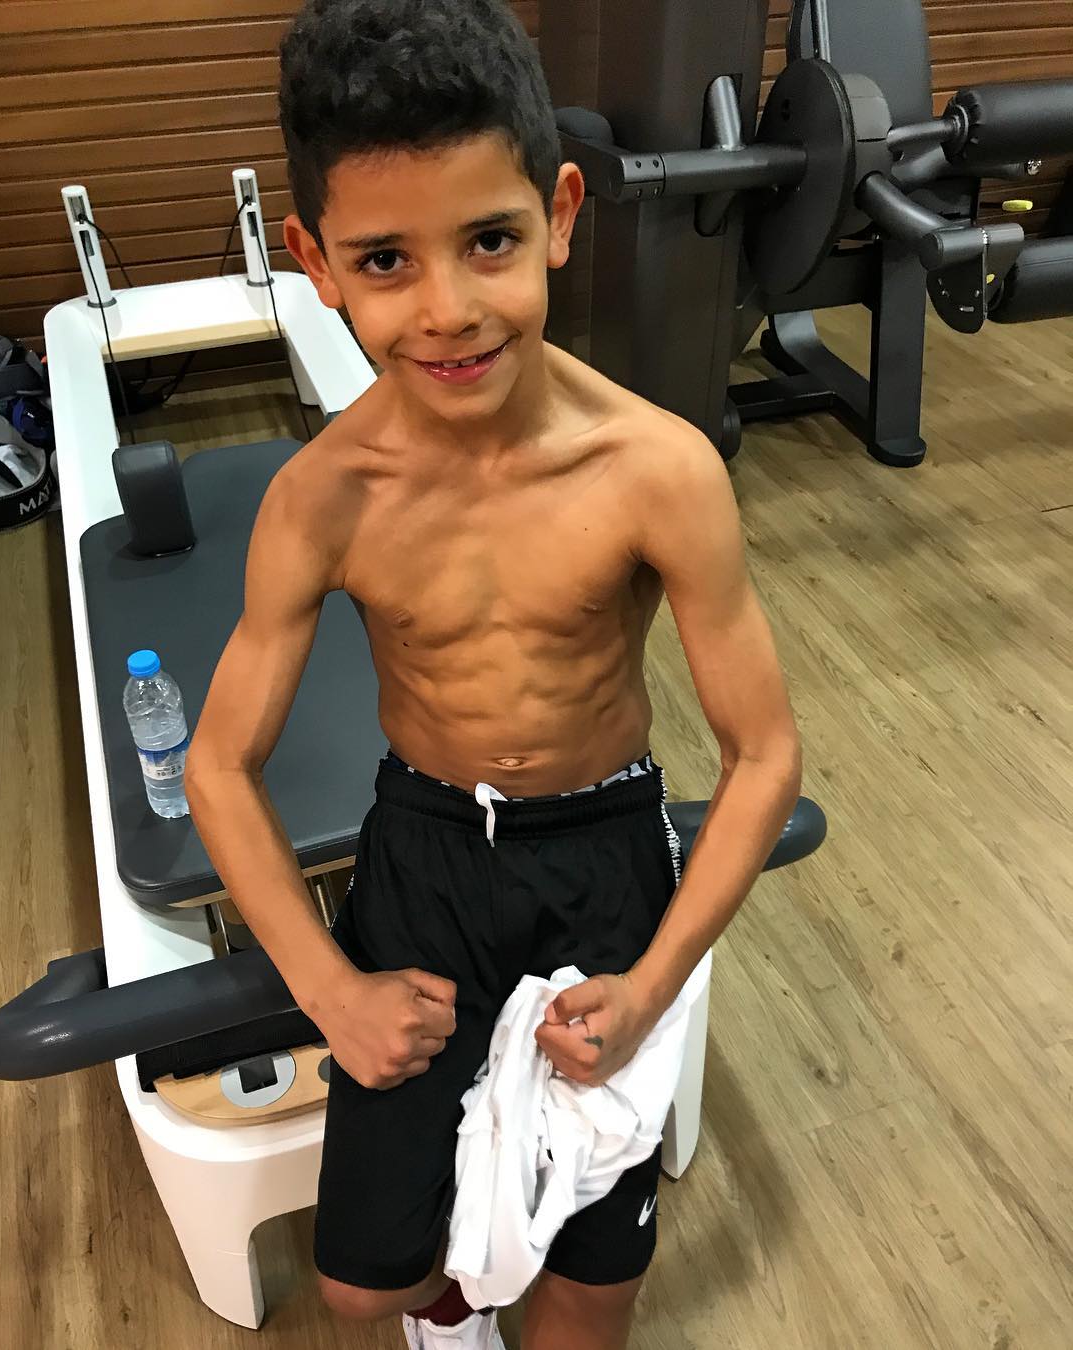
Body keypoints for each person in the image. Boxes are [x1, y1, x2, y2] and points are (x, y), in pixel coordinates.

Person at [184, 1, 802, 1346]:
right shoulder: (321, 498)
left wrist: (652, 986)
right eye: (385, 260)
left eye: (489, 241)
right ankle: (454, 1300)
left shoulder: (657, 469)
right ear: (316, 262)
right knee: (365, 1284)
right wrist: (332, 993)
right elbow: (217, 765)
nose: (449, 309)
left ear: (560, 214)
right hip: (423, 853)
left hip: (605, 851)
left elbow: (764, 756)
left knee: (588, 1300)